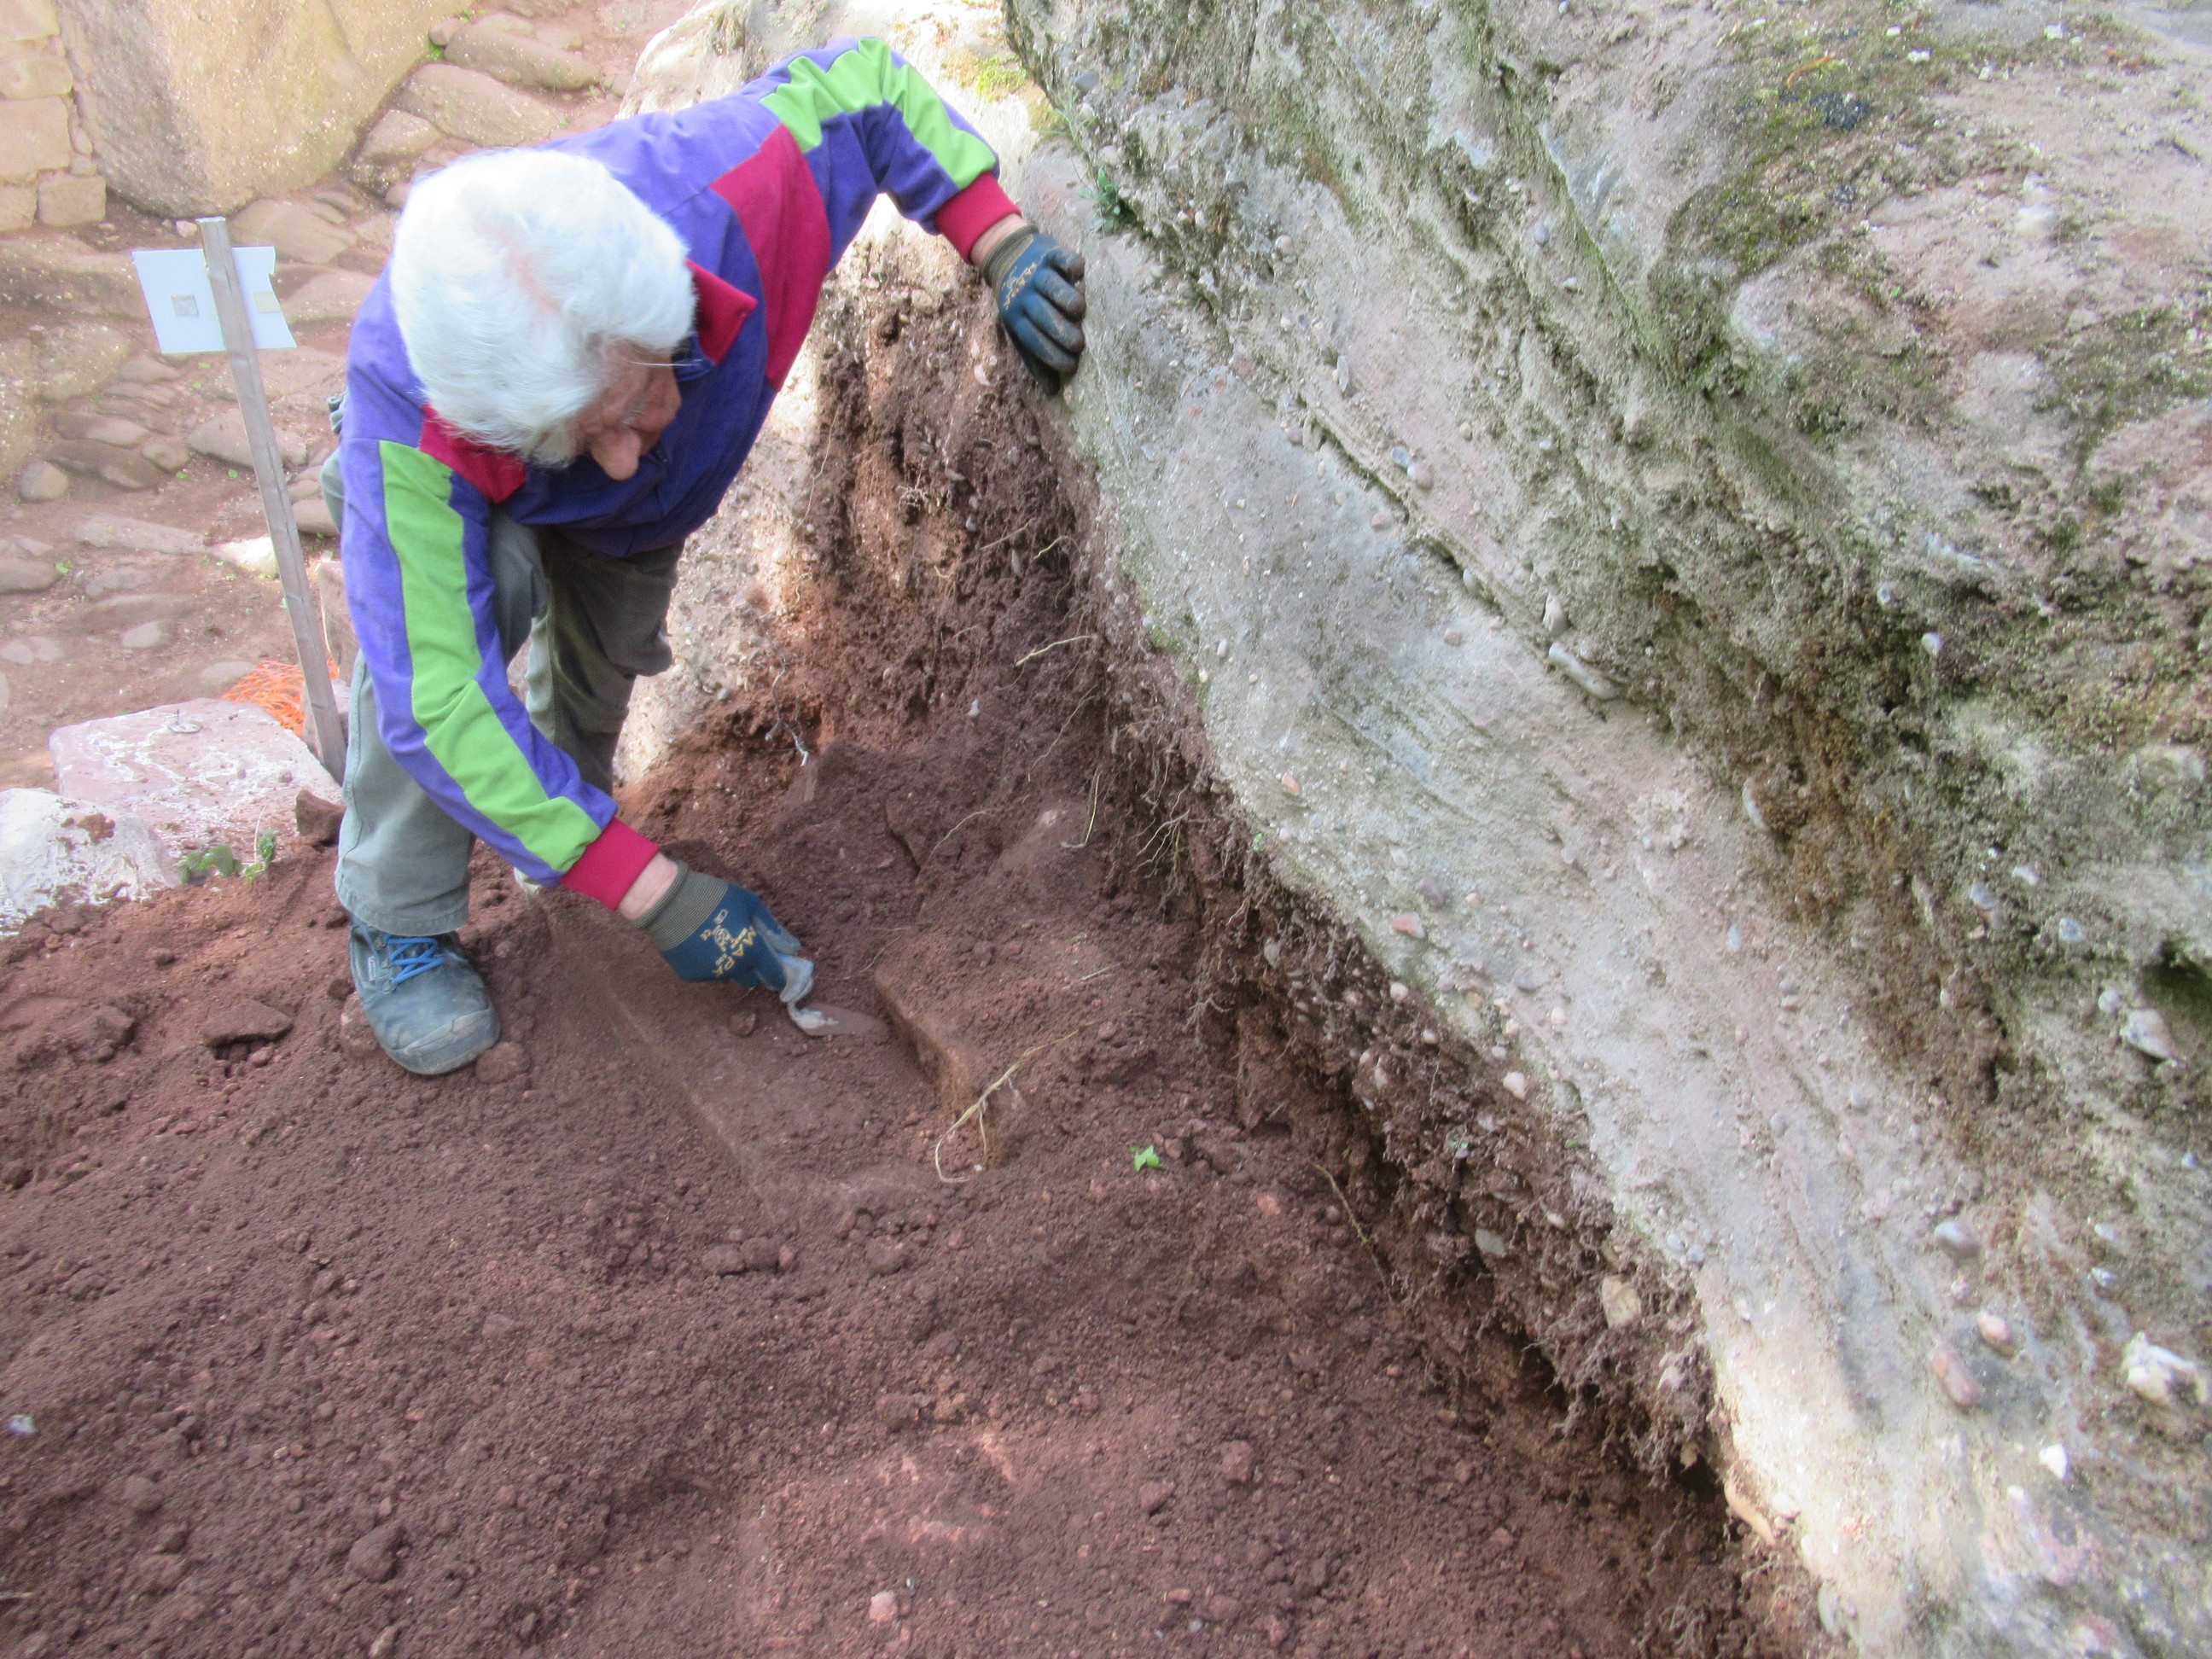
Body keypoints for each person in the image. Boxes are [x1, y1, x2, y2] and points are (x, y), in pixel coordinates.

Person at [321, 38, 1087, 1074]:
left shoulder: (733, 189)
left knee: (603, 669)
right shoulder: (405, 406)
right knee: (471, 610)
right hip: (484, 505)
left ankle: (566, 844)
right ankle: (400, 921)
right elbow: (440, 696)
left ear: (666, 302)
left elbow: (868, 89)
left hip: (640, 515)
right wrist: (660, 897)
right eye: (587, 435)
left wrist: (997, 237)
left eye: (636, 401)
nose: (621, 455)